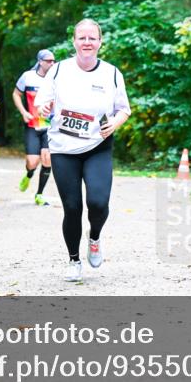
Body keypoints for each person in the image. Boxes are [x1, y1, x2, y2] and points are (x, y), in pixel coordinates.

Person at [34, 19, 130, 282]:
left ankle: (95, 237)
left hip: (97, 145)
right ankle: (74, 260)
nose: (87, 42)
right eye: (82, 38)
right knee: (73, 207)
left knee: (98, 203)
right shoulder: (58, 70)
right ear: (74, 41)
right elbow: (41, 102)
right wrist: (42, 108)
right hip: (64, 148)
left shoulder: (111, 73)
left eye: (92, 38)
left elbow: (124, 109)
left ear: (100, 42)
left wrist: (115, 122)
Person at [13, 49, 57, 206]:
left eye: (53, 61)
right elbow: (16, 94)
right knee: (32, 162)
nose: (52, 63)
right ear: (40, 61)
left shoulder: (56, 78)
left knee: (47, 159)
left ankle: (39, 194)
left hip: (50, 126)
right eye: (48, 61)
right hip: (32, 125)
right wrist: (24, 112)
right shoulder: (28, 77)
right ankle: (29, 174)